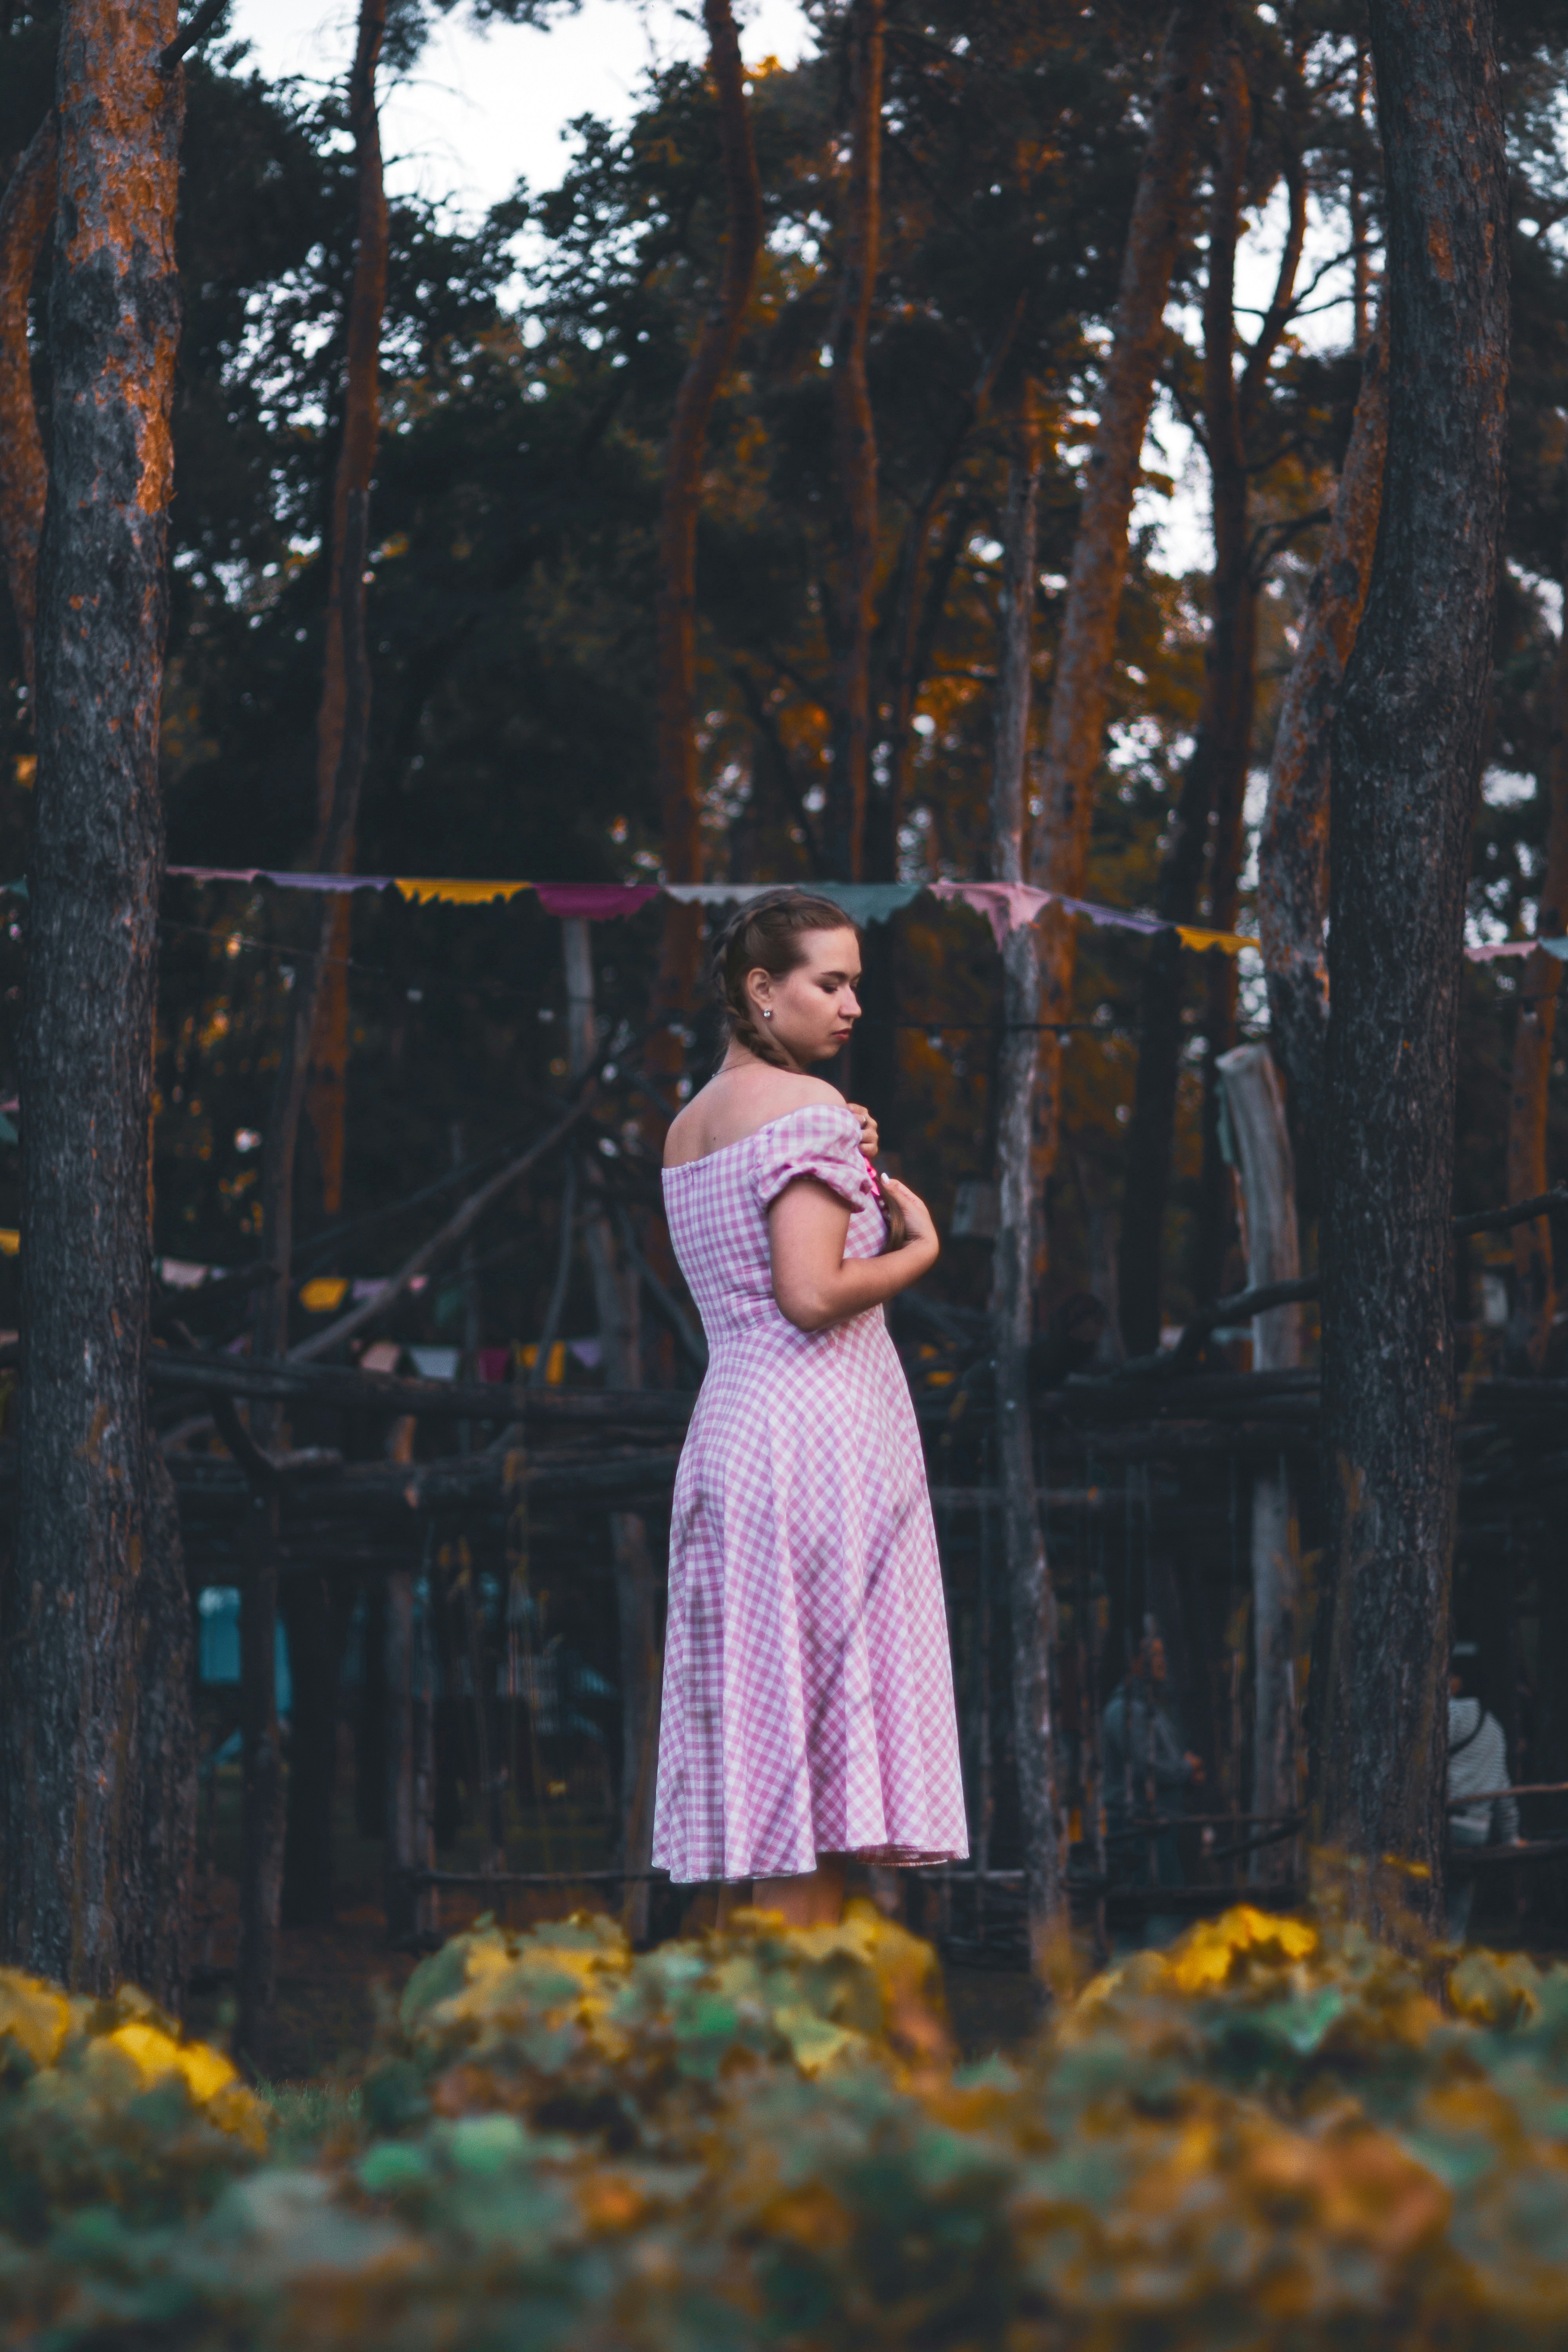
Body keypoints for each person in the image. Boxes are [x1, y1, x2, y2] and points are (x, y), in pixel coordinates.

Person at [654, 889, 967, 1926]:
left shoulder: (687, 1128)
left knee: (772, 1768)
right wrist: (920, 1250)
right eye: (829, 984)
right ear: (761, 988)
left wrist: (842, 1143)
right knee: (817, 1778)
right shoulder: (809, 1112)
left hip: (730, 1434)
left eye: (854, 985)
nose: (852, 1007)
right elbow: (809, 1293)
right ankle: (794, 2017)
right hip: (815, 1441)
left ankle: (754, 2009)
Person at [1102, 1628, 1203, 1947]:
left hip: (1158, 1822)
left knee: (1157, 1901)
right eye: (1153, 1655)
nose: (1161, 1662)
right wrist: (1185, 1770)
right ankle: (1146, 1966)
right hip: (1139, 1825)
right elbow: (1144, 1767)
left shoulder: (1149, 1708)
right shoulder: (1126, 1710)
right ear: (1135, 1661)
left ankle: (1148, 1965)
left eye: (1161, 1655)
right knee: (1152, 1903)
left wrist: (1185, 1768)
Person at [1446, 1644, 1520, 1942]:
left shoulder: (1450, 1714)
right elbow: (1503, 1788)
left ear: (1459, 1679)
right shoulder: (1494, 1728)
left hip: (1444, 1825)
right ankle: (1451, 1953)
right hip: (1477, 1830)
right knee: (1458, 1898)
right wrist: (1511, 1836)